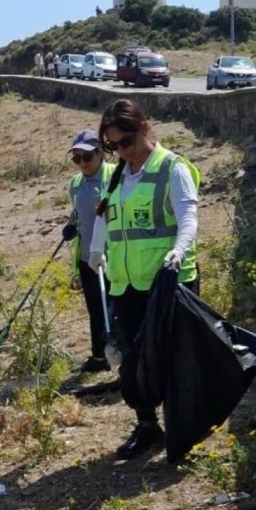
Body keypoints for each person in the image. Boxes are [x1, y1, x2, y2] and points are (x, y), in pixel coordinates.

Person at [87, 99, 201, 459]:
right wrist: (95, 249)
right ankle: (148, 427)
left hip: (167, 283)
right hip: (127, 286)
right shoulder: (119, 176)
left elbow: (188, 217)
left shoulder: (171, 169)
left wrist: (179, 251)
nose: (121, 151)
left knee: (173, 358)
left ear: (144, 129)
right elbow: (106, 217)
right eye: (112, 146)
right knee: (133, 361)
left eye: (126, 142)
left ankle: (184, 428)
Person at [61, 129, 115, 373]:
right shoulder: (75, 184)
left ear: (100, 153)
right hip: (86, 258)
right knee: (95, 307)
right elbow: (77, 211)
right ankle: (99, 355)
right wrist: (71, 225)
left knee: (116, 306)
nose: (82, 164)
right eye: (76, 159)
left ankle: (122, 353)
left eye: (87, 157)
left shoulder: (116, 176)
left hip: (114, 256)